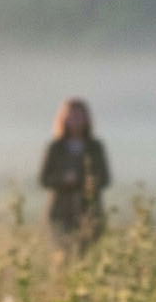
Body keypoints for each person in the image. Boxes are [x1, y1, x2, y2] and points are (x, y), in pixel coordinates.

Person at [39, 98, 110, 256]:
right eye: (72, 116)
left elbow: (105, 178)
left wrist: (87, 182)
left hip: (90, 212)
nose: (75, 120)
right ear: (63, 118)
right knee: (63, 255)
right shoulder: (55, 147)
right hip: (60, 212)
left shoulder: (95, 147)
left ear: (86, 119)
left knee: (86, 256)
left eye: (79, 116)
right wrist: (64, 180)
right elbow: (44, 179)